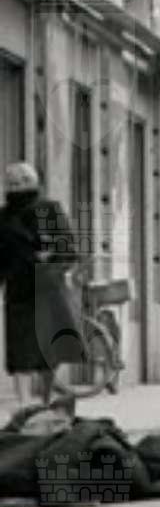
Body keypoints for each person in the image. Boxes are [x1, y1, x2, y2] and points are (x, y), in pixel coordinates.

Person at [0, 162, 84, 409]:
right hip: (18, 289)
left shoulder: (49, 209)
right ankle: (24, 404)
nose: (16, 186)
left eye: (21, 181)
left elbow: (68, 248)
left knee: (50, 349)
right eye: (11, 182)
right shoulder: (3, 216)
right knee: (20, 349)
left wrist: (52, 259)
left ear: (33, 181)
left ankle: (46, 398)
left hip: (48, 287)